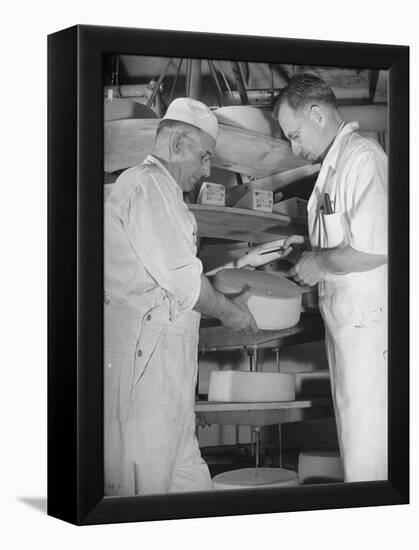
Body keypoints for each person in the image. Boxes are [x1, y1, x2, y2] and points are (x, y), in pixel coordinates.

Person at [104, 97, 258, 496]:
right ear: (176, 144)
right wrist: (231, 315)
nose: (207, 170)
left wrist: (224, 290)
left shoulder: (163, 193)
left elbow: (176, 281)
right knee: (147, 498)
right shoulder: (148, 185)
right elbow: (186, 284)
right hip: (147, 366)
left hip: (167, 373)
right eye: (204, 156)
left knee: (191, 491)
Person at [272, 74, 388, 482]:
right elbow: (342, 242)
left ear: (317, 114)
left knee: (371, 460)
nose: (293, 146)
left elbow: (377, 246)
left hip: (370, 336)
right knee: (357, 451)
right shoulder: (334, 169)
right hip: (347, 332)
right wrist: (308, 252)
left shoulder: (363, 158)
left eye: (294, 134)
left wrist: (319, 264)